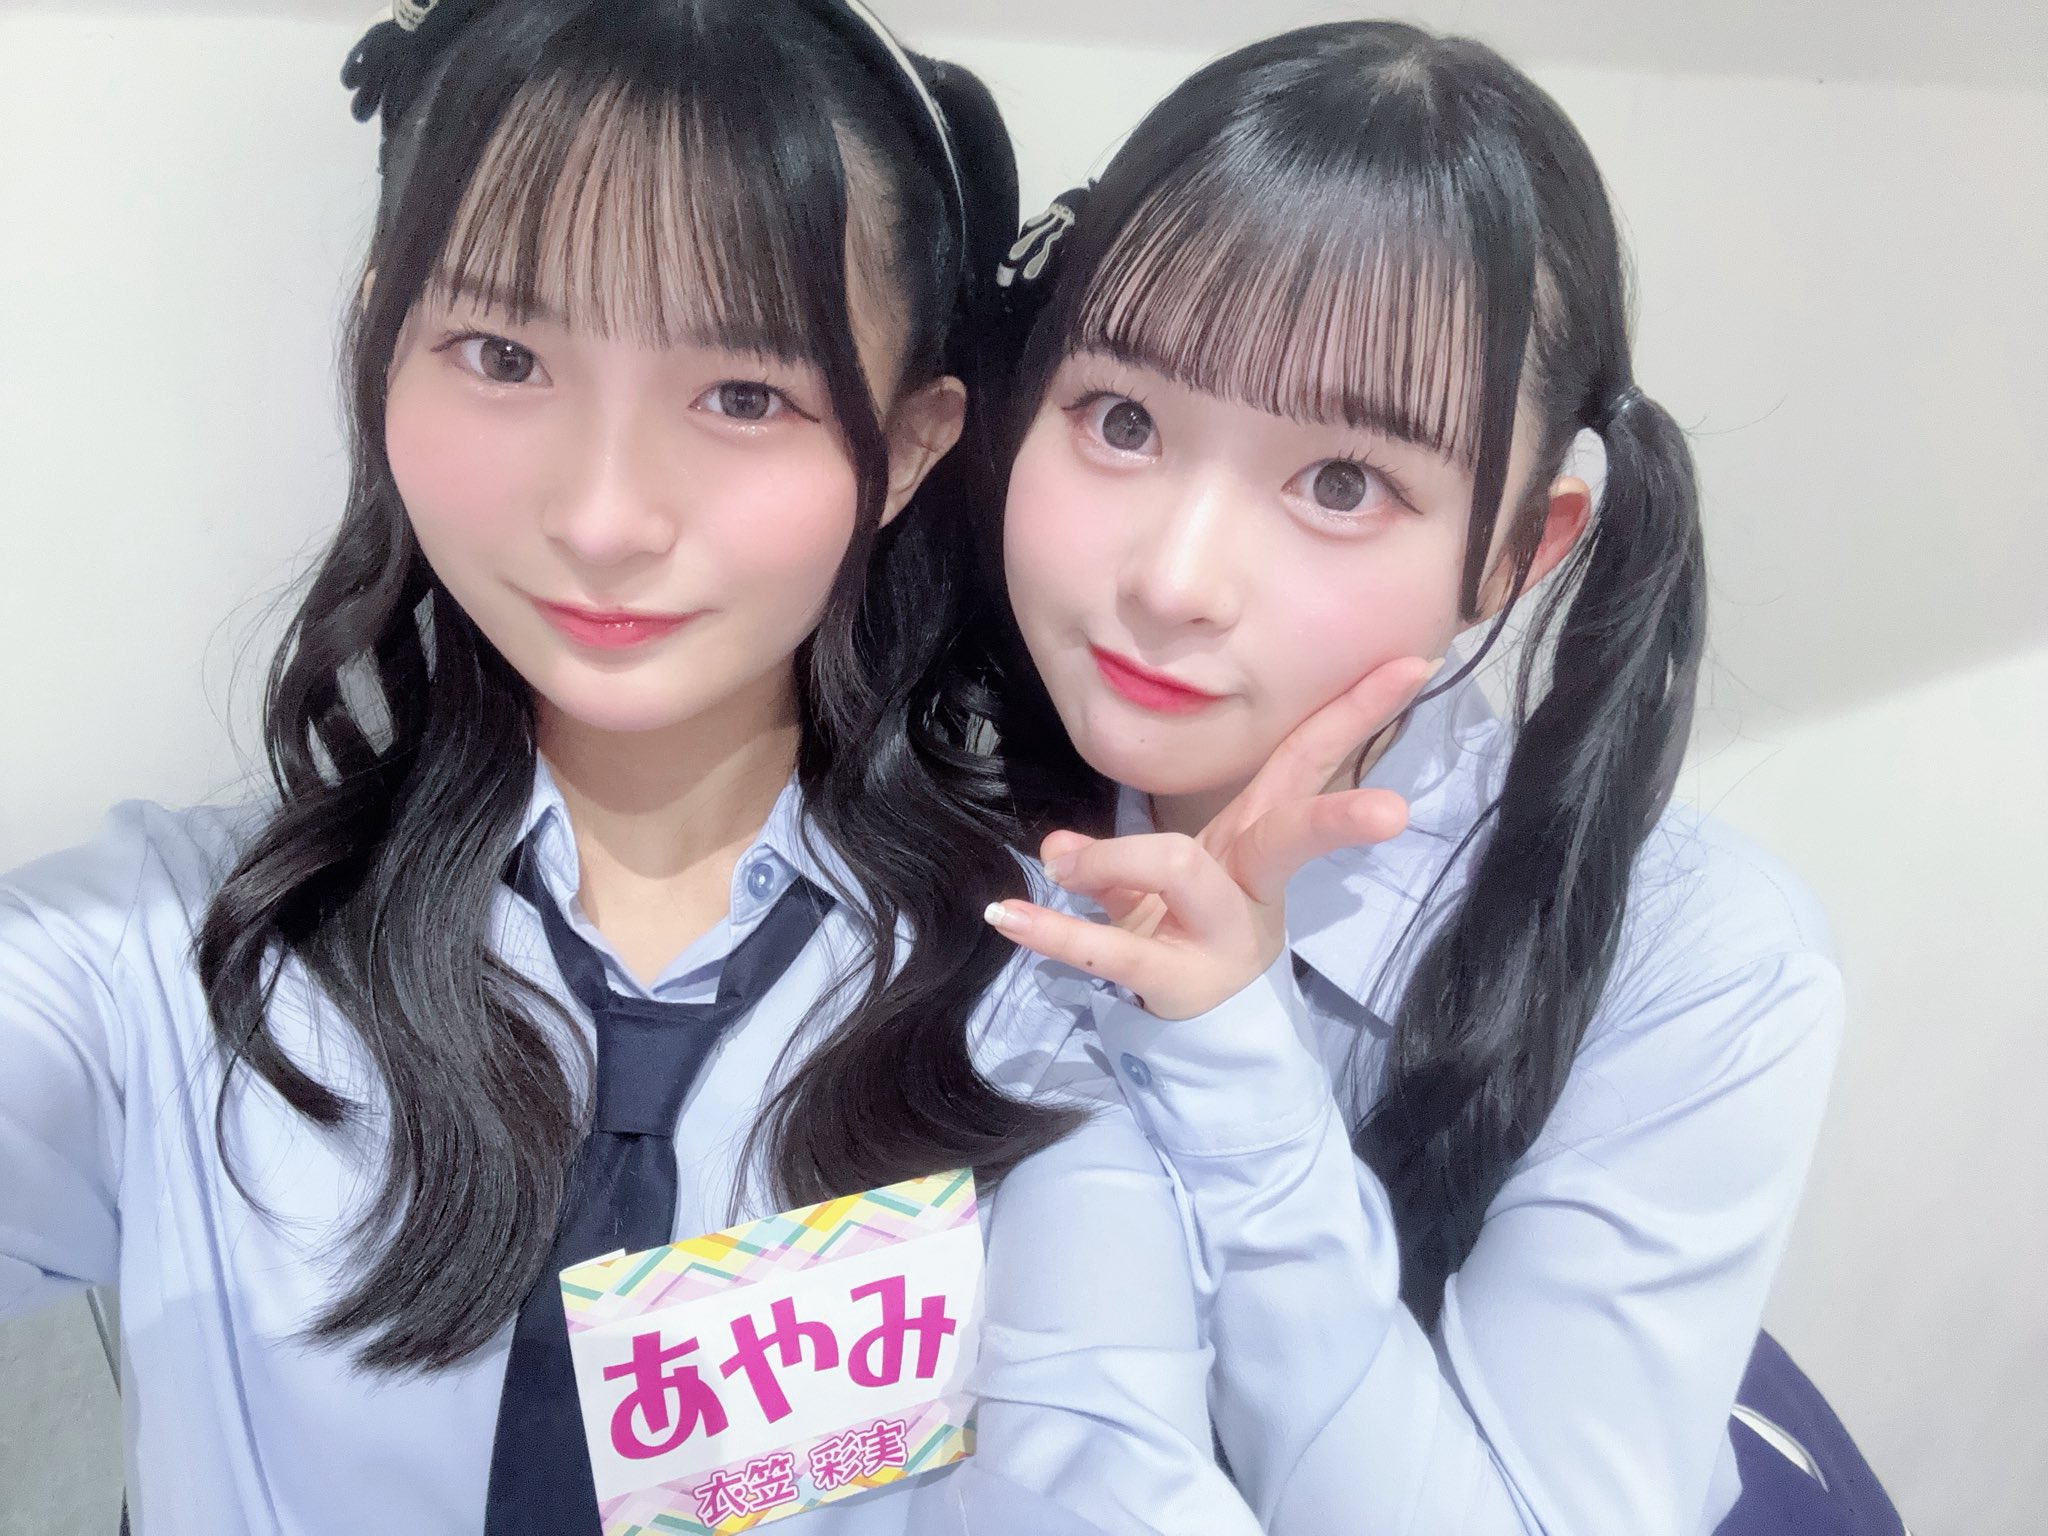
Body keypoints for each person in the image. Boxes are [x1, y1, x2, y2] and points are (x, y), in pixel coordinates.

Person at [0, 3, 1262, 1531]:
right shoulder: (168, 959)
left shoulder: (1041, 999)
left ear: (915, 445)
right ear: (382, 346)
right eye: (502, 355)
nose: (603, 516)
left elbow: (1106, 1467)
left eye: (744, 395)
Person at [985, 21, 1876, 1534]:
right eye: (1121, 419)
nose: (1175, 579)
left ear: (1517, 550)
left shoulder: (1697, 960)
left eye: (1343, 483)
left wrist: (1229, 1058)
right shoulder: (917, 788)